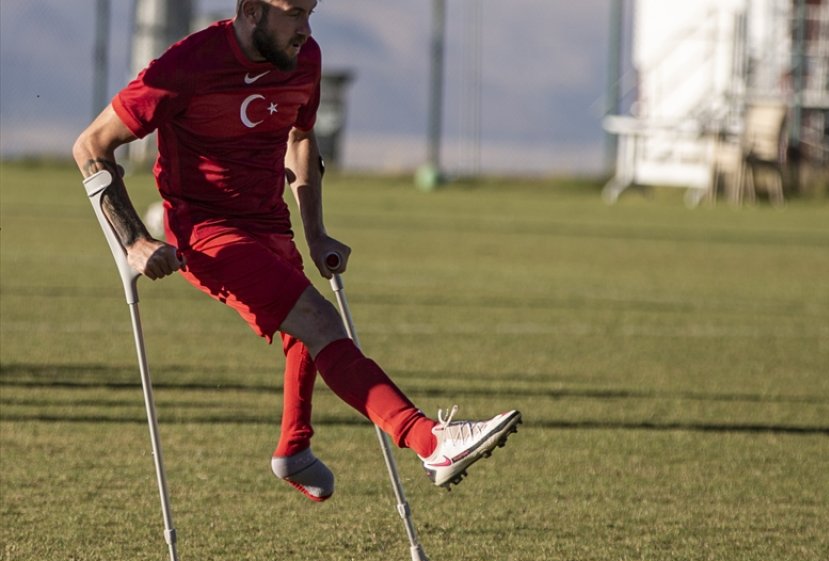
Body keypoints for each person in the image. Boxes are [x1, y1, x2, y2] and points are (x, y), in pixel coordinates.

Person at [72, 0, 520, 501]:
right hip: (206, 233)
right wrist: (134, 240)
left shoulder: (304, 59)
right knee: (319, 321)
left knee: (304, 333)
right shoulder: (185, 65)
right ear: (252, 12)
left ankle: (293, 448)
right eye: (292, 13)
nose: (305, 29)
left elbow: (301, 137)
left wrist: (317, 233)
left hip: (269, 221)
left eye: (310, 12)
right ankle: (429, 440)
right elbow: (90, 145)